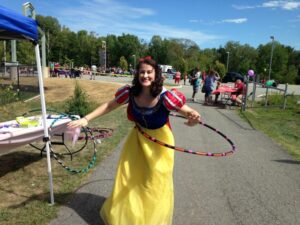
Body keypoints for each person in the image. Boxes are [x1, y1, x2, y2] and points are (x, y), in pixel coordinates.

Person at [68, 56, 201, 225]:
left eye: (149, 72)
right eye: (142, 72)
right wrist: (86, 119)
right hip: (137, 139)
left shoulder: (166, 97)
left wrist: (193, 119)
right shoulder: (130, 93)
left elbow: (189, 113)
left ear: (156, 74)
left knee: (154, 183)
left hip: (160, 143)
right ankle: (130, 218)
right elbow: (110, 105)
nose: (145, 76)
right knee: (130, 177)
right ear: (137, 74)